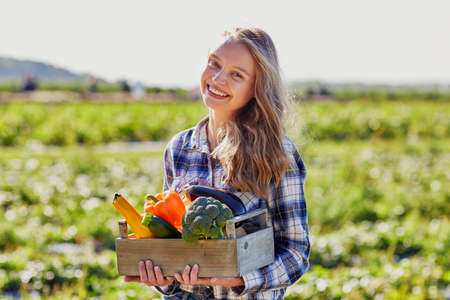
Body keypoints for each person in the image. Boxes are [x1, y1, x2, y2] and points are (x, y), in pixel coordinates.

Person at [124, 27, 310, 299]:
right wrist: (161, 279)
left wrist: (240, 279)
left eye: (237, 74)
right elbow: (170, 248)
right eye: (214, 63)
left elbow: (296, 253)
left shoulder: (277, 153)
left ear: (256, 87)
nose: (218, 78)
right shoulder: (178, 148)